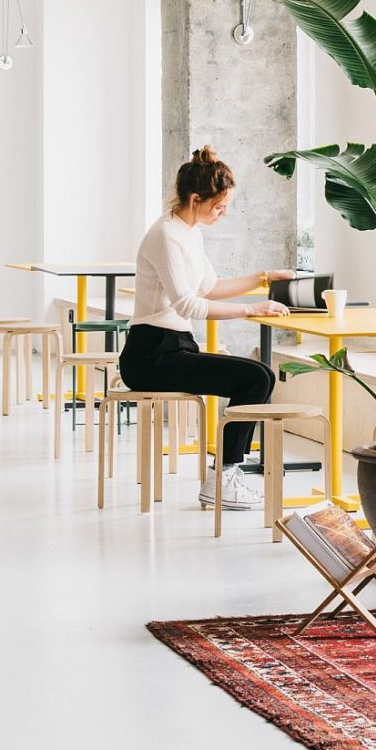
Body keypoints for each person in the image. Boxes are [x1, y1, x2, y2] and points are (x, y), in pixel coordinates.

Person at [120, 147, 293, 512]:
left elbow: (210, 287)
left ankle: (225, 474)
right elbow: (188, 305)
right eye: (219, 206)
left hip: (175, 346)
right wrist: (251, 309)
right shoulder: (166, 234)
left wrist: (264, 279)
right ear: (196, 199)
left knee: (260, 375)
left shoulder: (189, 232)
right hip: (150, 354)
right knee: (254, 379)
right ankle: (223, 478)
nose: (224, 213)